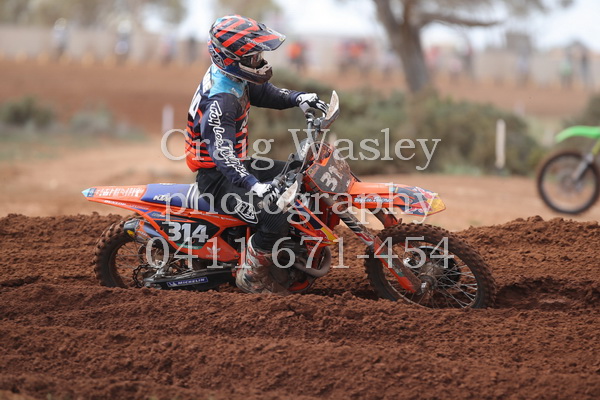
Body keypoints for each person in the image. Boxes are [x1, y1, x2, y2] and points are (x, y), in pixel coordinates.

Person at [184, 15, 327, 294]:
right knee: (274, 216)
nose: (259, 61)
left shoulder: (233, 78)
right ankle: (252, 277)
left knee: (299, 174)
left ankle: (291, 251)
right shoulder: (222, 100)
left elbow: (262, 93)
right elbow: (222, 154)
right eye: (253, 57)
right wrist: (254, 185)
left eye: (259, 55)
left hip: (235, 167)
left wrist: (298, 98)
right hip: (218, 179)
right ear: (230, 58)